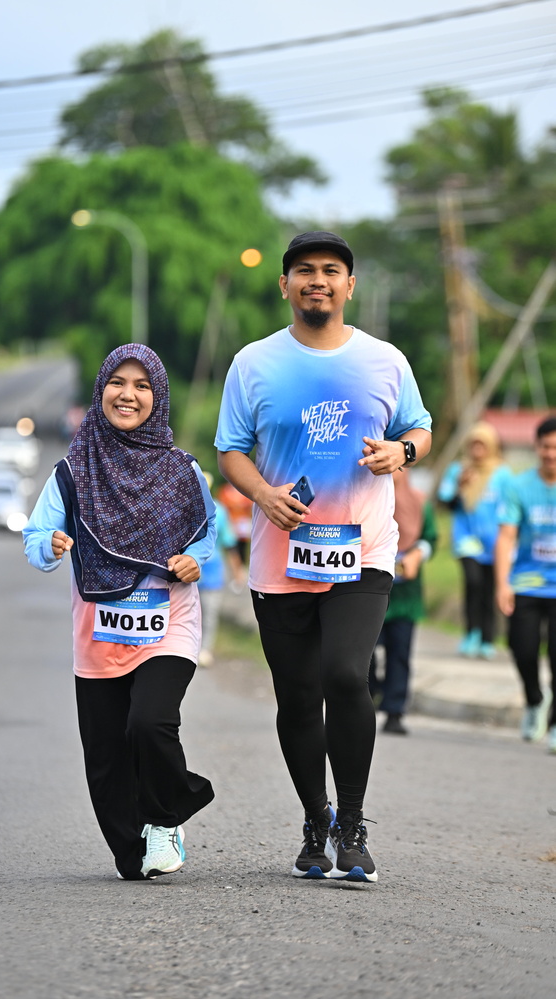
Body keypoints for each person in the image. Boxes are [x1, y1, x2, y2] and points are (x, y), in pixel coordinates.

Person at [215, 230, 432, 882]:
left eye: (331, 270)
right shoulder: (253, 362)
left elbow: (419, 426)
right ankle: (316, 817)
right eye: (305, 270)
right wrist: (263, 494)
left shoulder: (385, 359)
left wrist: (402, 451)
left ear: (349, 285)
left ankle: (353, 825)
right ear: (285, 285)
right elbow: (231, 450)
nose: (318, 280)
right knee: (298, 695)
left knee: (345, 674)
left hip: (363, 549)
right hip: (281, 555)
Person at [23, 343, 216, 880]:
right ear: (100, 391)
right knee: (106, 764)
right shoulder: (73, 472)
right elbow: (36, 534)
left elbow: (206, 531)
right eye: (117, 383)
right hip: (99, 634)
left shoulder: (182, 470)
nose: (128, 395)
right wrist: (51, 545)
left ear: (159, 397)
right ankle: (138, 845)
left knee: (149, 723)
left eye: (142, 386)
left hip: (168, 624)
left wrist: (194, 560)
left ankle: (166, 817)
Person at [495, 415, 556, 753]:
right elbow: (506, 537)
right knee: (523, 648)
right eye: (546, 447)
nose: (551, 454)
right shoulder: (519, 486)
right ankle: (534, 699)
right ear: (537, 447)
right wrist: (502, 583)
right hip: (527, 583)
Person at [369, 468, 437, 736]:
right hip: (367, 592)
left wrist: (418, 554)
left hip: (405, 596)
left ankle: (395, 711)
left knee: (400, 653)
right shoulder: (366, 497)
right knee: (364, 654)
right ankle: (368, 698)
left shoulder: (419, 501)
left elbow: (430, 537)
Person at [437, 422, 512, 659]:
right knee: (473, 583)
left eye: (482, 445)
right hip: (466, 540)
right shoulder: (458, 470)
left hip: (494, 541)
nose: (477, 450)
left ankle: (487, 639)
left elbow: (510, 507)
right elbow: (445, 502)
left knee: (489, 588)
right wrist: (460, 486)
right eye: (474, 445)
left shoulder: (502, 474)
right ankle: (471, 633)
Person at [197, 473, 245, 667]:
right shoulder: (183, 508)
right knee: (189, 613)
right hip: (185, 572)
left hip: (211, 570)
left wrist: (237, 572)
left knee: (209, 613)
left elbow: (230, 543)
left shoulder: (220, 512)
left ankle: (204, 650)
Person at [217, 481, 253, 565]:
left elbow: (250, 504)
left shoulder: (245, 489)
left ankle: (243, 563)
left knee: (243, 544)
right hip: (230, 522)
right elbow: (222, 505)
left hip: (243, 522)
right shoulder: (225, 491)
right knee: (232, 545)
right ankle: (236, 565)